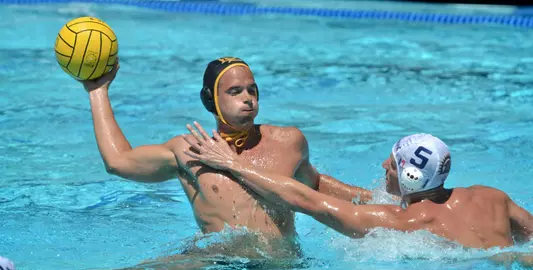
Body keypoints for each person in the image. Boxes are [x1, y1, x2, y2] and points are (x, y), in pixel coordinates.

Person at [80, 56, 370, 258]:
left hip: (284, 269)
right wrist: (98, 91)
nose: (248, 97)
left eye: (252, 90)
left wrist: (384, 202)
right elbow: (118, 162)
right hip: (217, 267)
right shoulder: (189, 150)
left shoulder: (288, 141)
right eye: (234, 91)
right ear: (211, 99)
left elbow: (315, 186)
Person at [183, 123, 533, 249]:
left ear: (412, 177)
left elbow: (304, 201)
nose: (384, 166)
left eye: (393, 164)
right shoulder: (493, 198)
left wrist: (230, 163)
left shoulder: (403, 223)